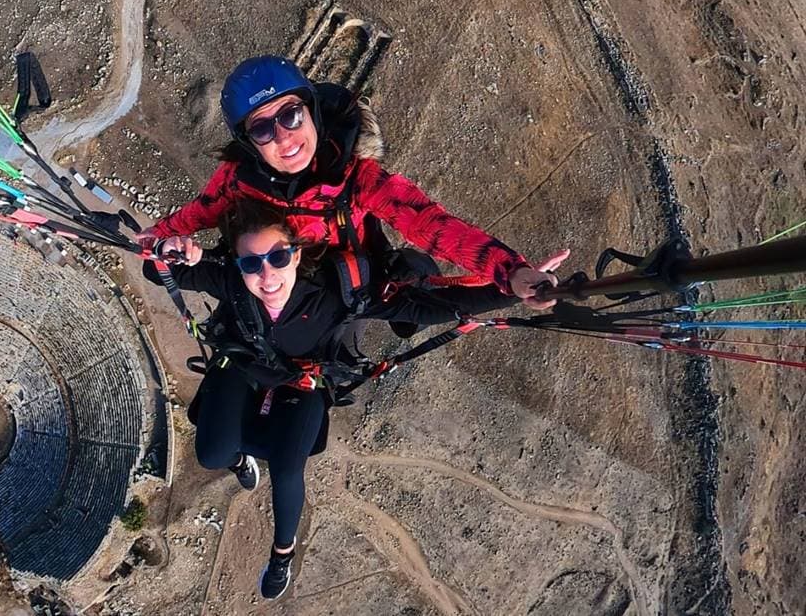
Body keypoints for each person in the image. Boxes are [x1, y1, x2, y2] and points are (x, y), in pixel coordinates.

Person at [144, 200, 567, 600]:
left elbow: (428, 305)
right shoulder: (232, 280)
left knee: (289, 466)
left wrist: (512, 288)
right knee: (212, 452)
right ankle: (238, 458)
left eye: (276, 258)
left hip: (304, 378)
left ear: (295, 255)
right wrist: (169, 248)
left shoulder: (332, 294)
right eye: (252, 264)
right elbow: (155, 269)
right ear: (239, 265)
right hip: (243, 361)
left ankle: (281, 556)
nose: (266, 275)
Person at [142, 55, 569, 312]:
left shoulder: (357, 178)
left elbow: (429, 224)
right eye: (263, 129)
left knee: (441, 303)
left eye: (290, 115)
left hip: (350, 284)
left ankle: (515, 289)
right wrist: (160, 240)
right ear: (249, 143)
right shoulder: (239, 180)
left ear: (311, 111)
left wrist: (509, 271)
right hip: (270, 275)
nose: (285, 137)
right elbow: (195, 216)